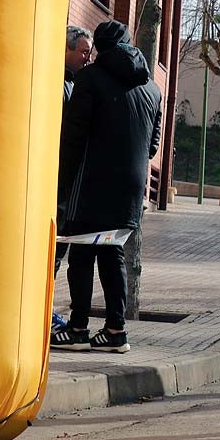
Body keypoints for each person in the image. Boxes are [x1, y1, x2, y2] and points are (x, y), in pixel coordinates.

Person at [51, 20, 162, 354]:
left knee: (83, 254)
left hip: (91, 186)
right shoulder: (152, 89)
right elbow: (153, 147)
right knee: (112, 254)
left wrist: (62, 186)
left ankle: (78, 328)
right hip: (130, 190)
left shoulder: (89, 80)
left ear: (99, 47)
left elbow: (73, 139)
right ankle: (116, 330)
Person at [52, 26, 93, 333]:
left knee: (57, 252)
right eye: (82, 51)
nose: (87, 57)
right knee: (52, 252)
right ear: (66, 50)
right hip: (56, 180)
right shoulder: (59, 83)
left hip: (65, 183)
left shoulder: (75, 82)